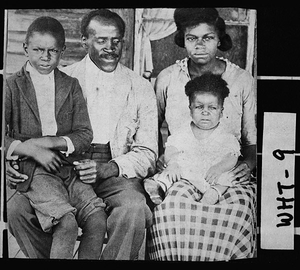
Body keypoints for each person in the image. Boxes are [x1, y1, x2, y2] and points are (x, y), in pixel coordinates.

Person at [6, 9, 158, 260]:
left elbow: (149, 152)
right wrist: (12, 160)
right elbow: (22, 136)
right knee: (16, 209)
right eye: (101, 40)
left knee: (133, 208)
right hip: (60, 169)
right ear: (85, 41)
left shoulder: (139, 86)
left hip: (115, 169)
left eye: (117, 40)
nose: (110, 48)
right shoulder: (64, 78)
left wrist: (109, 167)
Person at [146, 8, 257, 261]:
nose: (199, 45)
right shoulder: (168, 78)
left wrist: (248, 164)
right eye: (191, 38)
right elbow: (153, 130)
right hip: (181, 169)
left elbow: (251, 141)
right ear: (182, 40)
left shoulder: (242, 81)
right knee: (169, 208)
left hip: (224, 171)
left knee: (236, 210)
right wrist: (165, 158)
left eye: (207, 38)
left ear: (219, 39)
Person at [5, 16, 107, 259]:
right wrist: (31, 150)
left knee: (97, 219)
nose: (45, 57)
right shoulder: (11, 86)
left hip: (69, 168)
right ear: (25, 48)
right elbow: (1, 138)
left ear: (62, 51)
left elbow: (84, 134)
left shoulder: (70, 85)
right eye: (39, 50)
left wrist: (49, 142)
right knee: (66, 222)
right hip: (35, 170)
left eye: (53, 51)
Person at [144, 73, 240, 205]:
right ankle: (159, 185)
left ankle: (213, 194)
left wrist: (219, 168)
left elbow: (232, 157)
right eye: (199, 107)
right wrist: (172, 163)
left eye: (212, 107)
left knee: (227, 177)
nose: (205, 112)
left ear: (221, 111)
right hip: (188, 173)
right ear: (190, 110)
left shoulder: (226, 136)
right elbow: (172, 149)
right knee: (173, 170)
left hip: (212, 173)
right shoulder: (183, 132)